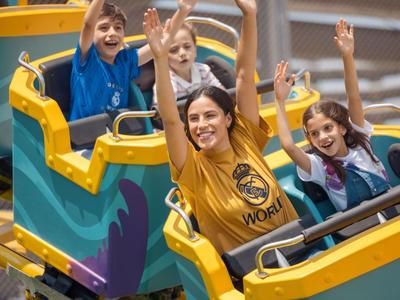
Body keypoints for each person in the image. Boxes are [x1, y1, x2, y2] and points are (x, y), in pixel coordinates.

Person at [144, 0, 298, 255]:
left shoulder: (244, 138)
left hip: (297, 244)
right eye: (193, 119)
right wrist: (160, 58)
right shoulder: (194, 170)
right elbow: (171, 119)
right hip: (256, 268)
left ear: (228, 119)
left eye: (210, 116)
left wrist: (250, 15)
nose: (201, 125)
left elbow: (245, 76)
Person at [273, 19, 391, 212]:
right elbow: (288, 146)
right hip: (357, 228)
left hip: (390, 213)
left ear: (342, 128)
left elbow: (353, 97)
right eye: (314, 134)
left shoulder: (362, 143)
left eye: (327, 128)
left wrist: (347, 55)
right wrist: (279, 101)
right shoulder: (319, 167)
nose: (323, 137)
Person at [69, 0, 197, 121]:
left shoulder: (125, 61)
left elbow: (163, 40)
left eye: (118, 28)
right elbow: (88, 24)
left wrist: (182, 12)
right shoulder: (87, 59)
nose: (112, 33)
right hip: (85, 139)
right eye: (104, 28)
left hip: (117, 134)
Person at [152, 22, 224, 105]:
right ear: (163, 57)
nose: (182, 53)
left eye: (187, 47)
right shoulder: (167, 82)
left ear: (195, 49)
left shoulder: (203, 70)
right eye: (173, 50)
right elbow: (164, 113)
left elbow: (222, 93)